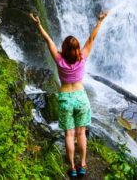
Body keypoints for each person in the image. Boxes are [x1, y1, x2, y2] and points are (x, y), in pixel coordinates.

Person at [29, 10, 109, 178]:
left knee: (69, 134)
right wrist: (100, 21)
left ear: (64, 49)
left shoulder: (59, 59)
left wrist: (39, 25)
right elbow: (92, 38)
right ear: (77, 49)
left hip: (65, 97)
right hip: (81, 97)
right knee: (81, 133)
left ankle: (72, 167)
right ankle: (83, 163)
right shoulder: (82, 58)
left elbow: (48, 40)